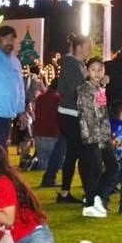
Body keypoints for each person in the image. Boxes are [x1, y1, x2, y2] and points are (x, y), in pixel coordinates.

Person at [77, 56, 117, 218]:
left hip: (103, 135)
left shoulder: (99, 87)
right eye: (93, 69)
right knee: (96, 170)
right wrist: (96, 138)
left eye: (100, 69)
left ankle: (96, 199)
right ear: (87, 71)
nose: (97, 73)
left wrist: (104, 83)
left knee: (112, 167)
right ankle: (92, 202)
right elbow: (88, 116)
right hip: (93, 136)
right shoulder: (85, 90)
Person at [54, 34, 90, 204]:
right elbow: (70, 90)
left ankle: (65, 192)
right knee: (79, 152)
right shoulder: (71, 65)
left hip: (73, 114)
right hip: (70, 114)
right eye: (88, 46)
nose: (89, 49)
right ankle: (87, 191)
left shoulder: (78, 64)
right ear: (80, 47)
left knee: (73, 153)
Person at [33, 82, 64, 186]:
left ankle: (45, 179)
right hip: (52, 133)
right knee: (56, 160)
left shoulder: (40, 98)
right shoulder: (58, 98)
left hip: (39, 133)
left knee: (43, 162)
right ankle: (50, 179)